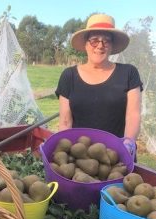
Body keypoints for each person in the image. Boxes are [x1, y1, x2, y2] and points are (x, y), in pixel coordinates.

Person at [55, 14, 143, 157]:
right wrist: (64, 151)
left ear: (112, 45)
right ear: (86, 44)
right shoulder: (69, 76)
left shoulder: (128, 73)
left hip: (116, 157)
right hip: (80, 158)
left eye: (106, 41)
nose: (100, 45)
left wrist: (128, 144)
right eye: (94, 40)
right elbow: (65, 121)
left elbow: (133, 115)